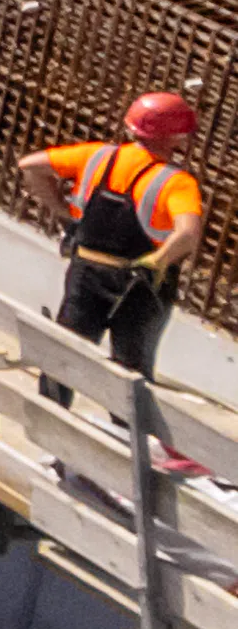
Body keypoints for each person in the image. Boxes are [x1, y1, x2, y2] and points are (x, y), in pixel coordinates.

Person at [26, 94, 204, 427]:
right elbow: (188, 234)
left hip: (86, 272)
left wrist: (63, 213)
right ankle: (128, 444)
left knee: (66, 353)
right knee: (130, 371)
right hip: (140, 286)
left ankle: (46, 427)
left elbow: (31, 166)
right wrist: (161, 259)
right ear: (176, 137)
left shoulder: (97, 156)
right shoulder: (176, 183)